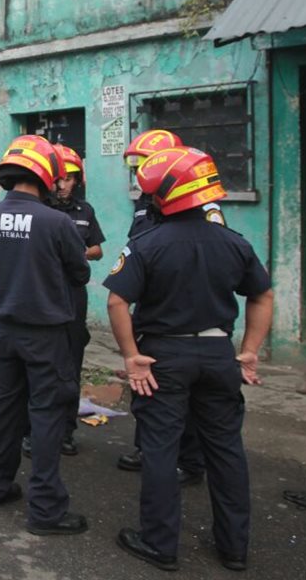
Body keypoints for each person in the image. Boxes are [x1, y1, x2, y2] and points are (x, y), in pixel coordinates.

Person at [105, 147, 273, 572]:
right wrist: (249, 351)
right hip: (219, 355)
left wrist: (131, 357)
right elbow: (262, 294)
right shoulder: (234, 242)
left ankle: (160, 544)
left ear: (165, 195)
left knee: (161, 448)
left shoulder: (148, 244)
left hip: (163, 355)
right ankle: (234, 548)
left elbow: (117, 301)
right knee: (226, 450)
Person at [0, 135, 91, 535]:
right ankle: (45, 512)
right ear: (45, 175)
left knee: (1, 411)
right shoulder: (57, 222)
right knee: (46, 417)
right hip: (46, 336)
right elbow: (81, 273)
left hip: (3, 333)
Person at [118, 129, 213, 481]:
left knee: (184, 399)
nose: (140, 175)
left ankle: (189, 461)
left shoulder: (201, 207)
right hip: (152, 313)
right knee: (149, 392)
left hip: (183, 315)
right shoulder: (146, 204)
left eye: (144, 166)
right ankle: (150, 449)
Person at [19, 143, 104, 459]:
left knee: (69, 369)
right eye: (59, 178)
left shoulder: (85, 212)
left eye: (70, 178)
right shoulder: (39, 210)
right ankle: (31, 431)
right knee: (38, 368)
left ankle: (66, 431)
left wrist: (76, 254)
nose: (63, 184)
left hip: (72, 298)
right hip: (42, 298)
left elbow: (97, 249)